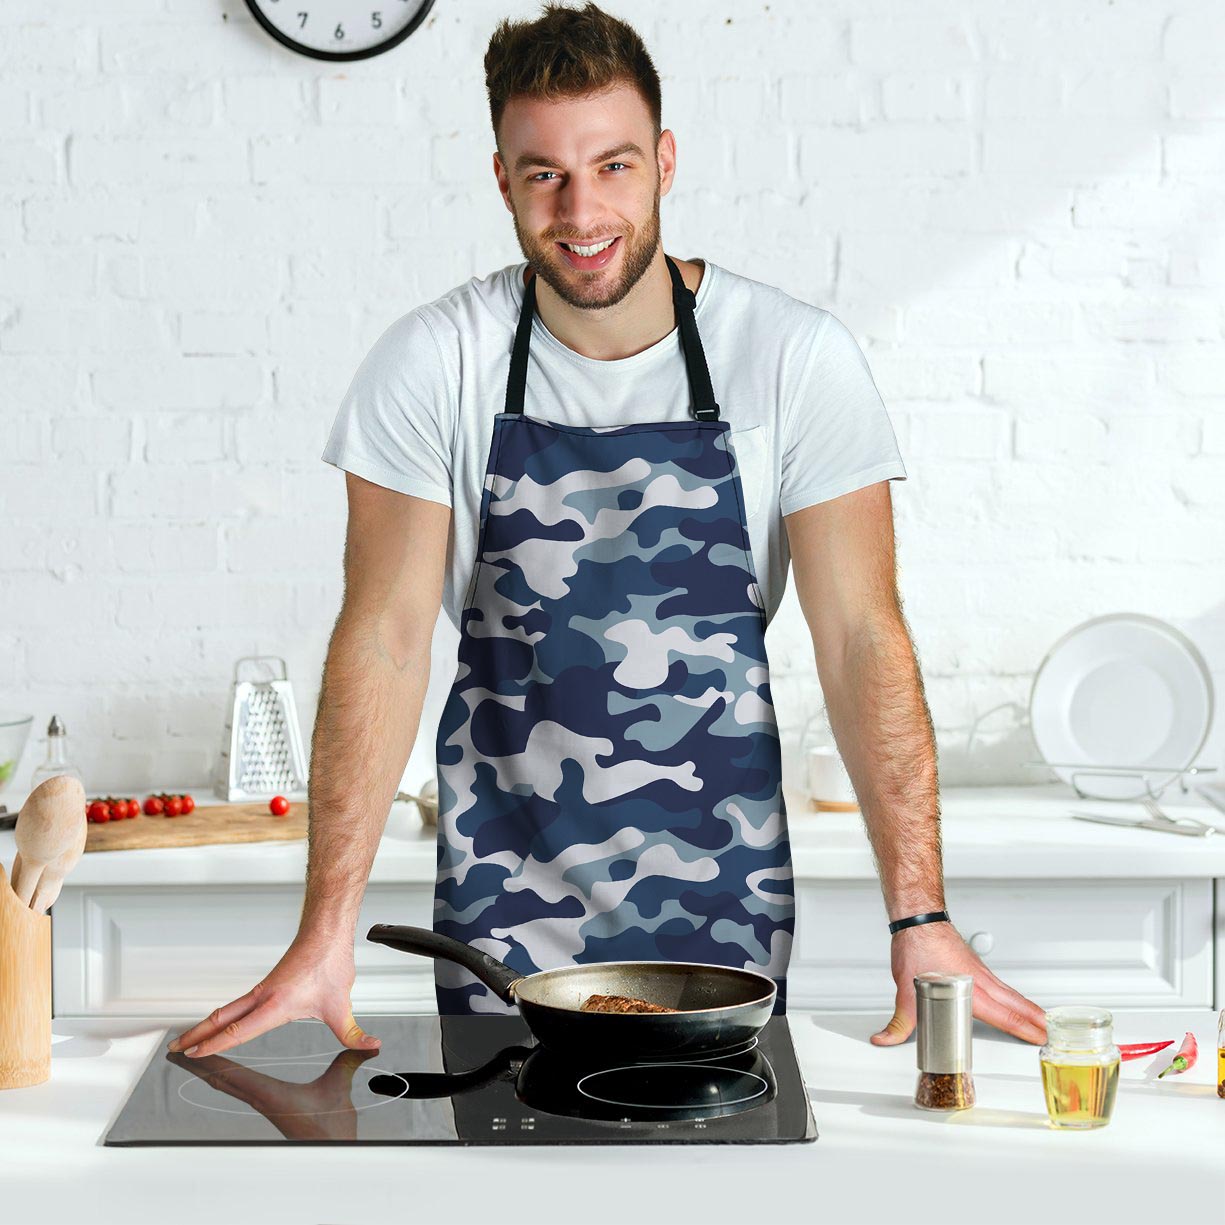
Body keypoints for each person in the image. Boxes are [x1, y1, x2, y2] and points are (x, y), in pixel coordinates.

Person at [169, 2, 1047, 1059]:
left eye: (613, 166)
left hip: (723, 907)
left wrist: (921, 915)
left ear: (664, 161)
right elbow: (385, 640)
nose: (580, 209)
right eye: (543, 173)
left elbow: (862, 635)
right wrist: (324, 933)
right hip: (502, 912)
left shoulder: (792, 358)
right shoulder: (433, 363)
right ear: (502, 180)